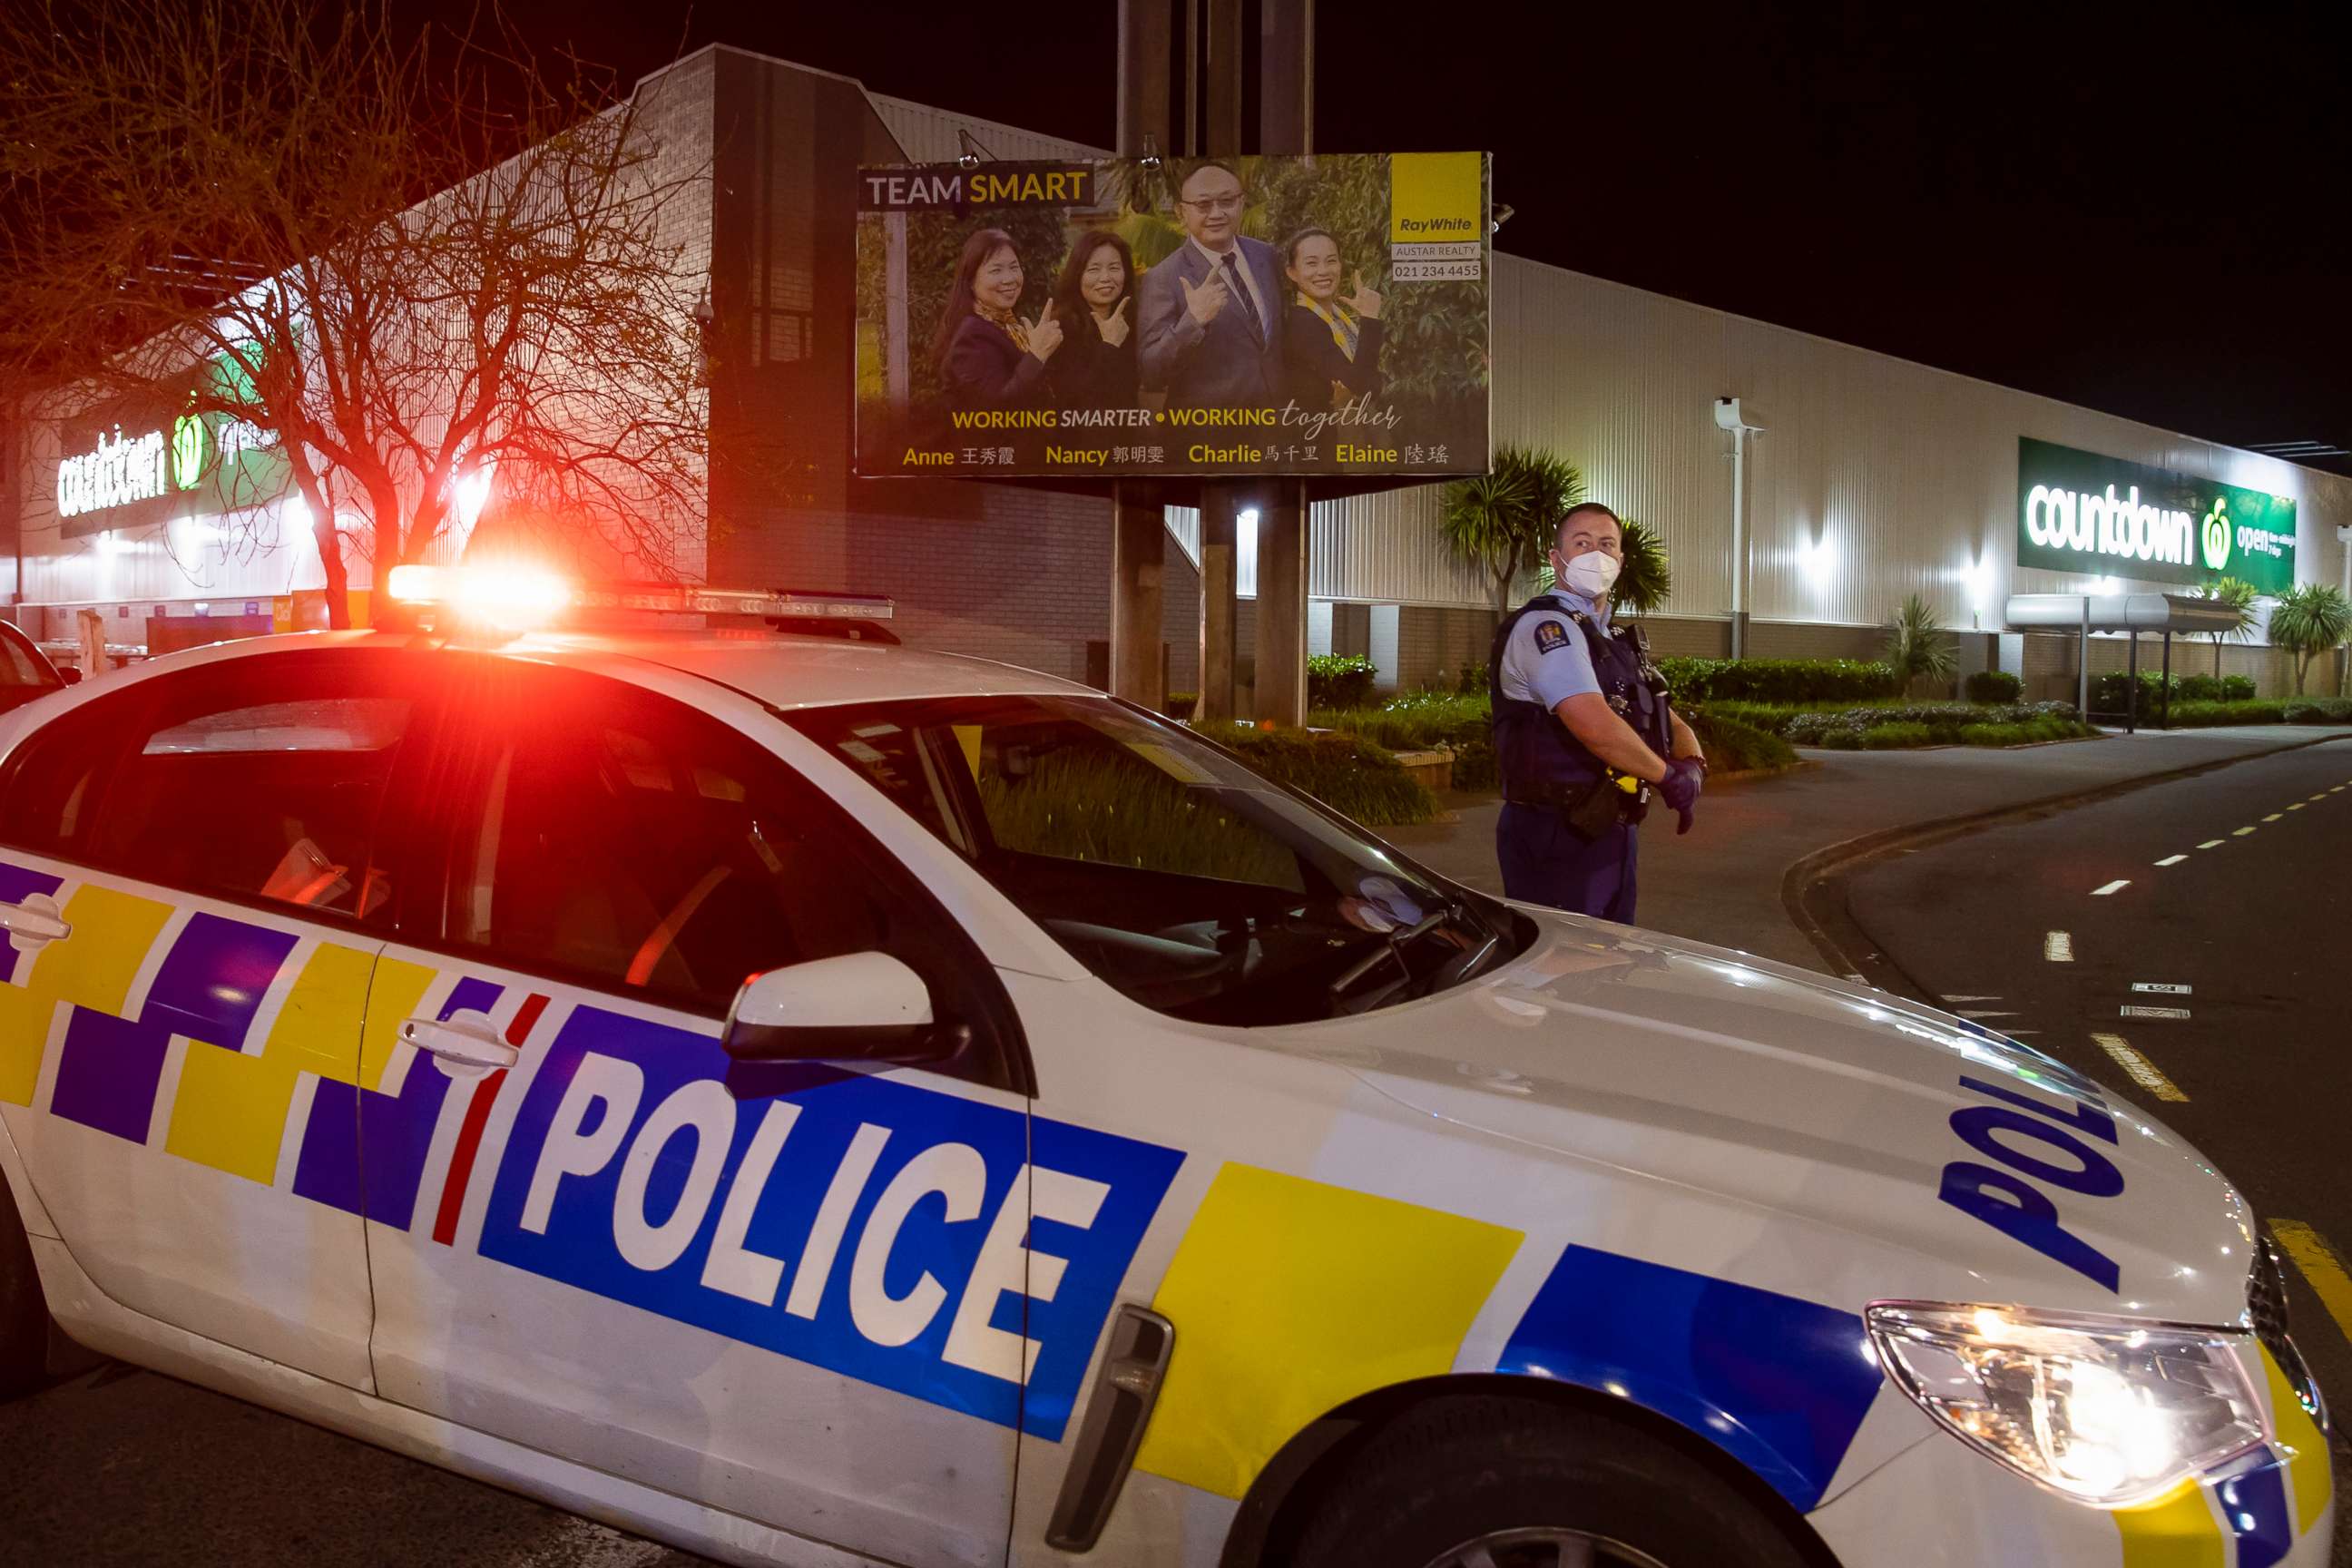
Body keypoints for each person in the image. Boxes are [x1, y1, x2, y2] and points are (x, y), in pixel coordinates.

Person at [1489, 502, 1708, 923]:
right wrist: (1666, 776)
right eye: (1582, 543)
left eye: (1606, 544)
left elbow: (1664, 713)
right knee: (1564, 972)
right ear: (1557, 558)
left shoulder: (1610, 638)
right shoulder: (1548, 628)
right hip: (1557, 833)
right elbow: (1591, 722)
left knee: (1609, 965)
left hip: (1609, 830)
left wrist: (1693, 766)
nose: (1595, 554)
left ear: (1621, 561)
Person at [1136, 161, 1285, 407]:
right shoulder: (1163, 277)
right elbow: (1151, 372)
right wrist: (1192, 321)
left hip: (1277, 425)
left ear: (1241, 202)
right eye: (1203, 205)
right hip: (1210, 433)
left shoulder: (1265, 255)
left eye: (1226, 201)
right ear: (1181, 212)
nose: (1216, 213)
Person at [932, 229, 1063, 414]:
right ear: (970, 281)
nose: (1009, 279)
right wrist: (1037, 355)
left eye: (1014, 267)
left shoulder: (1009, 326)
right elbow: (995, 413)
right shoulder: (971, 338)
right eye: (996, 270)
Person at [1279, 228, 1385, 409]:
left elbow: (1370, 381)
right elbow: (1361, 386)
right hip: (1319, 433)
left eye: (1331, 261)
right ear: (1292, 272)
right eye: (1311, 263)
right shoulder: (1303, 324)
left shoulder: (1337, 317)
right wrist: (1370, 319)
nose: (1323, 271)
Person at [1046, 230, 1138, 408]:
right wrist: (1109, 347)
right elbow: (1074, 400)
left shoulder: (1132, 319)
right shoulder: (1061, 327)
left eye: (1114, 268)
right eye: (1094, 269)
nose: (1105, 278)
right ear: (1077, 275)